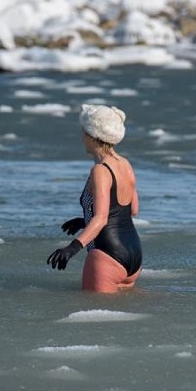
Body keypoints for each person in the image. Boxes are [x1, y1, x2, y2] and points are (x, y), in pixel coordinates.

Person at [47, 104, 142, 293]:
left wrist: (72, 248)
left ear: (93, 136)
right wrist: (85, 221)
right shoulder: (125, 164)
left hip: (107, 255)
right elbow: (132, 209)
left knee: (96, 318)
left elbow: (102, 218)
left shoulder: (100, 171)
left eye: (84, 131)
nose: (82, 137)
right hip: (134, 254)